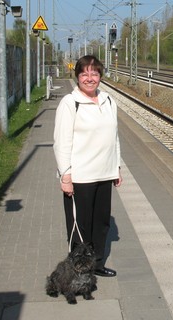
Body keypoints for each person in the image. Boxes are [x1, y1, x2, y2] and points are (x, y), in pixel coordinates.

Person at [53, 55, 122, 277]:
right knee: (79, 227)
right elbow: (62, 142)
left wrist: (116, 167)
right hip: (80, 177)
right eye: (84, 74)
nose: (90, 78)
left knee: (101, 224)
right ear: (78, 76)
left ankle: (97, 265)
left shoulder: (109, 100)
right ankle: (78, 272)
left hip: (104, 174)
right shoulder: (69, 103)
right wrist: (65, 176)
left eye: (94, 73)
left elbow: (114, 137)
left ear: (101, 76)